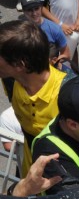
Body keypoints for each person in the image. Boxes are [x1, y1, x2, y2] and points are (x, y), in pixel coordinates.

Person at [0, 20, 68, 177]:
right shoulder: (12, 81)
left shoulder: (70, 94)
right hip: (31, 179)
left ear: (19, 65)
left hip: (64, 189)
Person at [20, 0, 71, 70]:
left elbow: (66, 54)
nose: (34, 13)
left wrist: (54, 61)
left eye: (36, 8)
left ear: (41, 8)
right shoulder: (19, 30)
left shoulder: (54, 29)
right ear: (24, 11)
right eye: (30, 10)